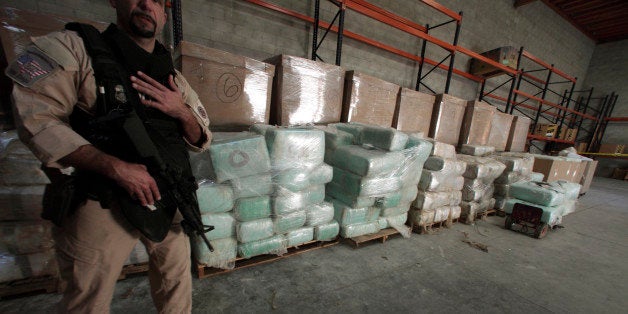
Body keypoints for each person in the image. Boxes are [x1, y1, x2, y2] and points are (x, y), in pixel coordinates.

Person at [6, 0, 211, 312]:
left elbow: (201, 138)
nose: (147, 4)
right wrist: (115, 167)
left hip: (170, 199)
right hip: (102, 200)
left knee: (177, 291)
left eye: (157, 1)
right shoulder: (76, 48)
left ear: (164, 14)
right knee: (88, 301)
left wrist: (181, 110)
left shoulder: (174, 78)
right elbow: (36, 118)